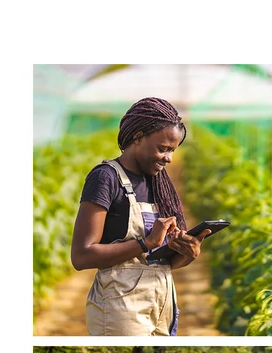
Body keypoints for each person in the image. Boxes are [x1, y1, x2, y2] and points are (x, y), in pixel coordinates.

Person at [71, 97, 211, 336]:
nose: (169, 158)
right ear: (138, 138)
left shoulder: (159, 184)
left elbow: (160, 263)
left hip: (163, 300)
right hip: (121, 304)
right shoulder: (106, 178)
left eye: (173, 151)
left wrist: (188, 253)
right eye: (163, 148)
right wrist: (145, 243)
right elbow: (81, 256)